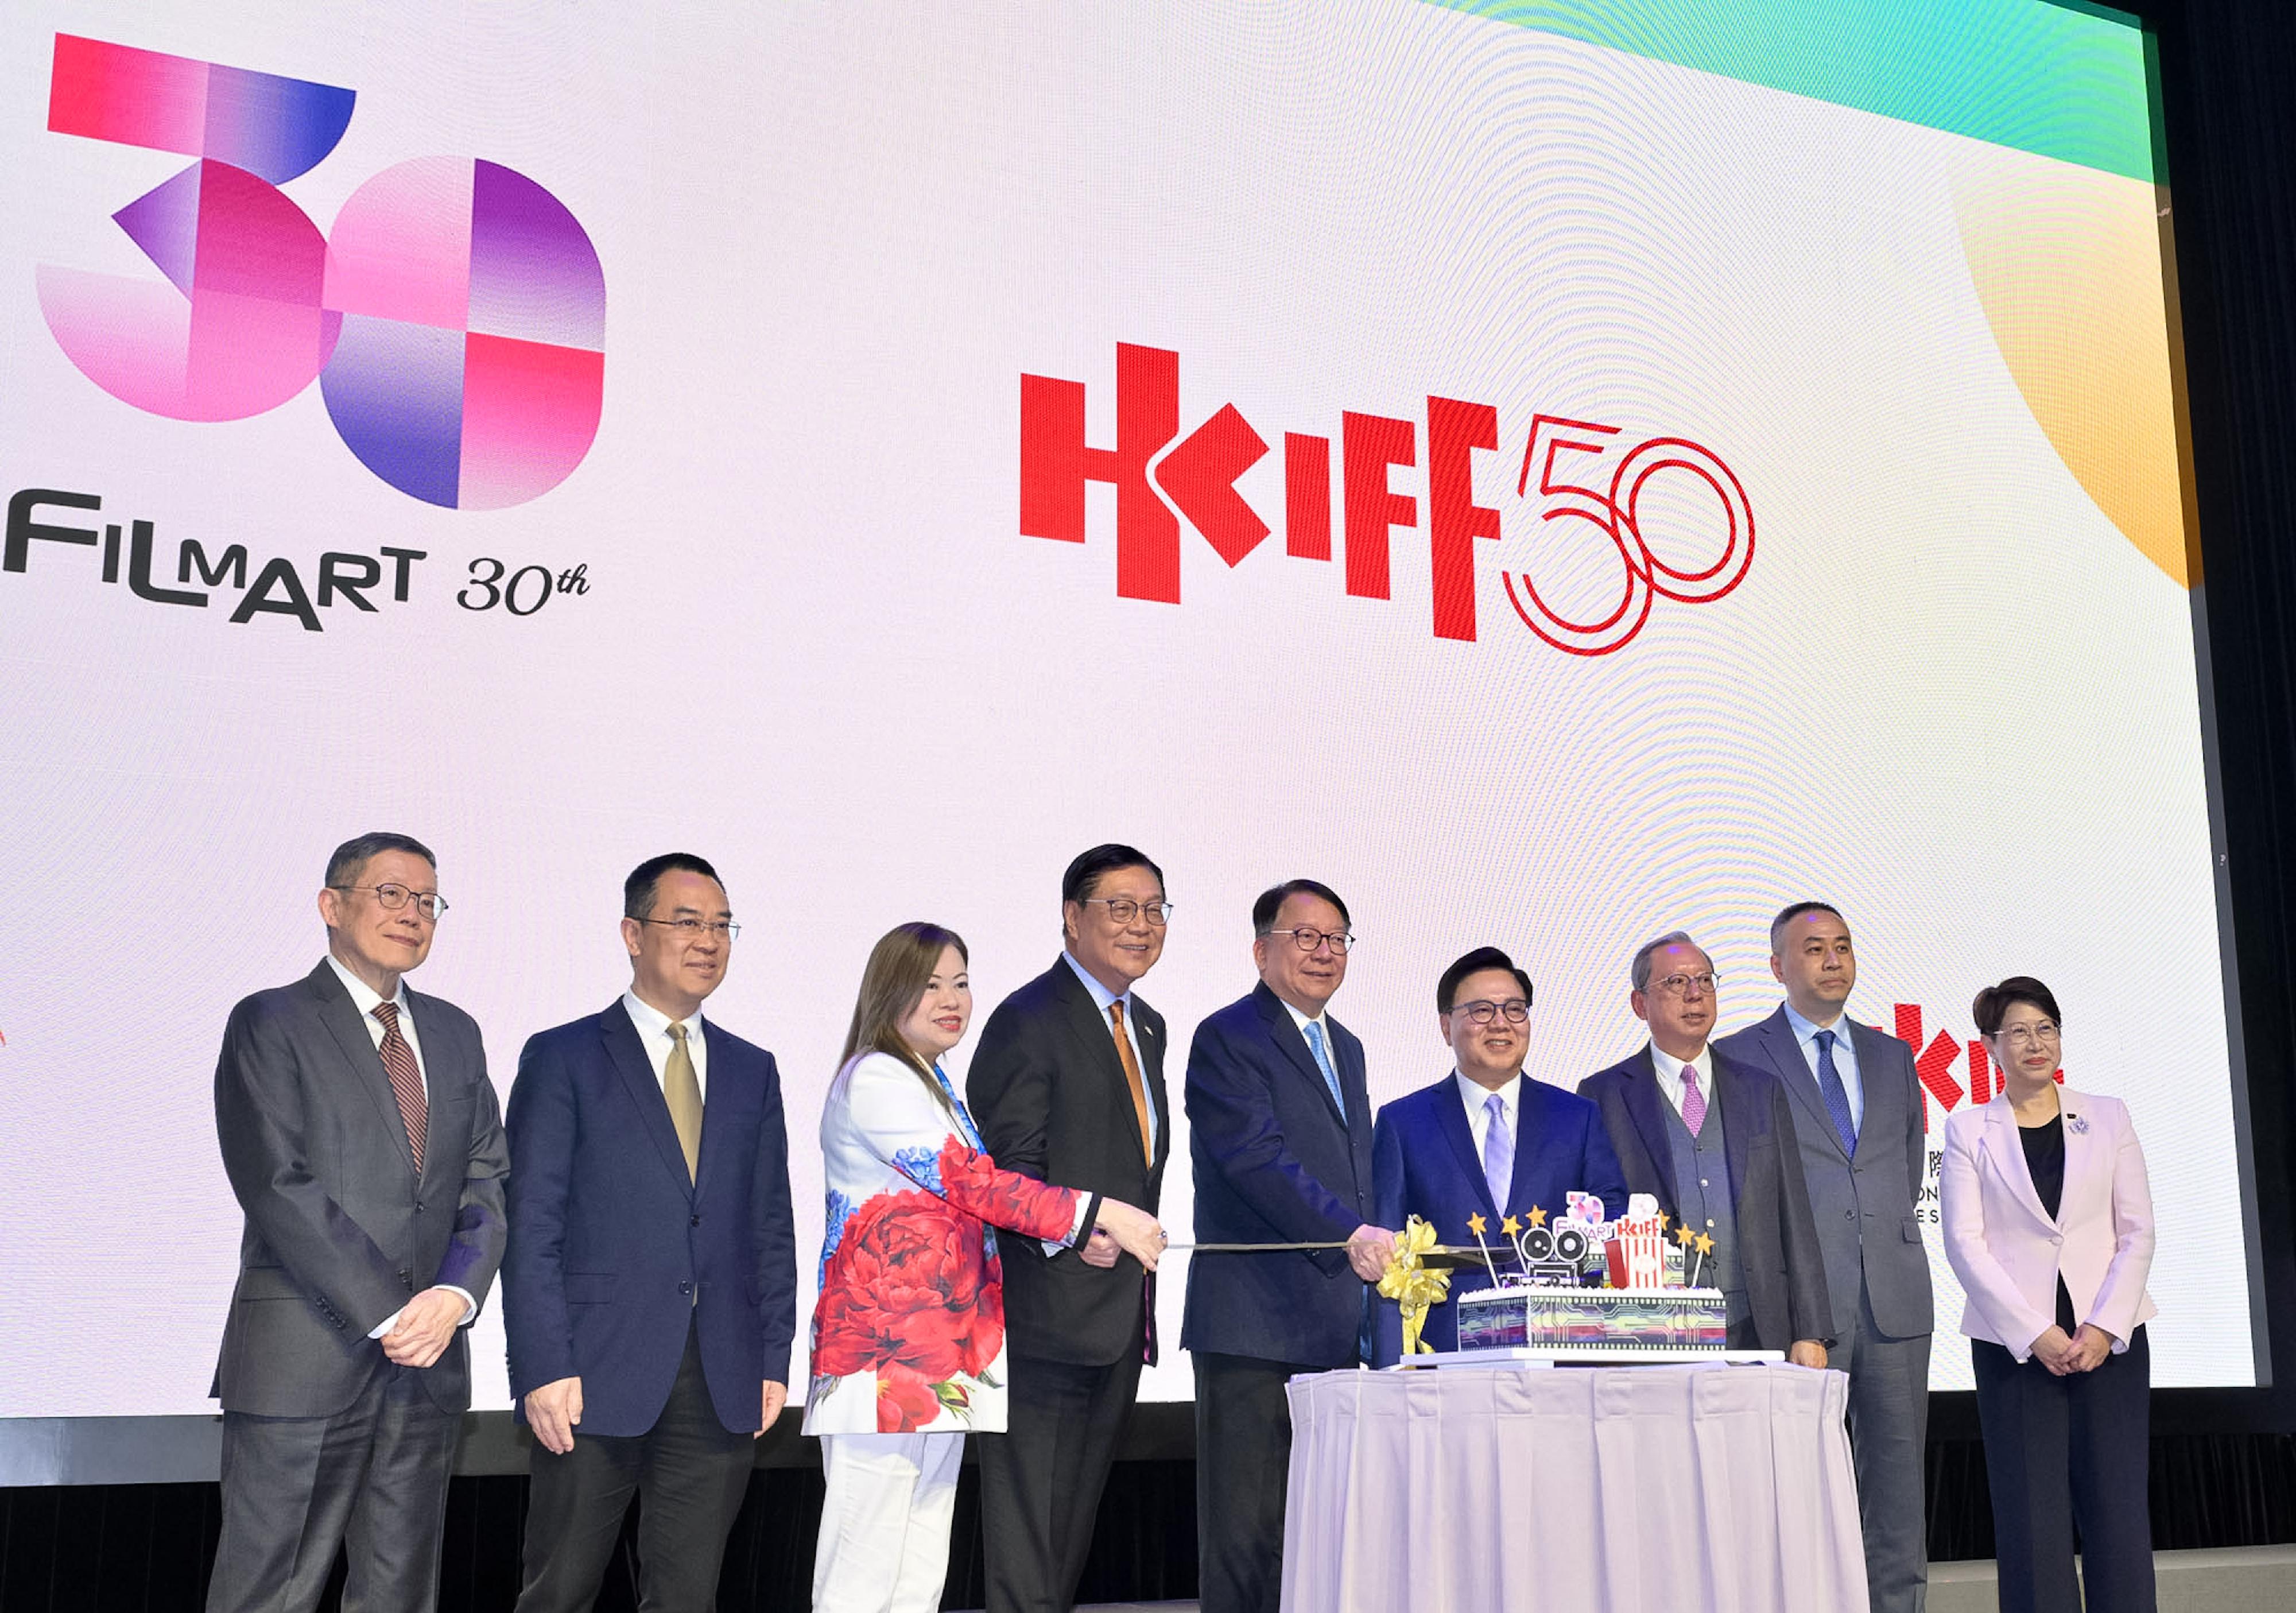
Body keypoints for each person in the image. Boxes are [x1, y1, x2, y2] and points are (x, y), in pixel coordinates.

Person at [806, 923, 1166, 1613]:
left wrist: (1075, 1235)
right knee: (864, 1566)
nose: (952, 999)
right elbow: (973, 1184)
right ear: (889, 991)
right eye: (931, 982)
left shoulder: (929, 1079)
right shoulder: (878, 1075)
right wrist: (1099, 1214)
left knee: (916, 1569)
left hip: (936, 1362)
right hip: (880, 1357)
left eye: (961, 981)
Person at [206, 831, 507, 1613]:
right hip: (303, 1360)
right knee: (271, 1589)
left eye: (428, 901)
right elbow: (277, 1184)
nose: (413, 913)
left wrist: (455, 1296)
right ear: (330, 905)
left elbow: (487, 1178)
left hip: (425, 1370)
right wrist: (392, 1309)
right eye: (391, 894)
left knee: (401, 1593)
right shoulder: (271, 1022)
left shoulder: (455, 1032)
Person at [502, 853, 798, 1613]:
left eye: (723, 925)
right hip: (590, 1372)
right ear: (633, 933)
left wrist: (771, 1355)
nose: (709, 939)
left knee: (687, 1594)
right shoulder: (563, 1055)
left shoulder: (751, 1069)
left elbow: (769, 1226)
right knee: (559, 1588)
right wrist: (542, 1363)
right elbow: (532, 1221)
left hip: (721, 1372)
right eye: (688, 921)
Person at [966, 844, 1174, 1613]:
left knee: (1067, 1547)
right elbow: (1007, 1171)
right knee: (1029, 1553)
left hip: (1118, 1322)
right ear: (1071, 916)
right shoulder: (1027, 1019)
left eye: (1154, 908)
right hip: (1046, 1322)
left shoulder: (1146, 1024)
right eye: (1121, 907)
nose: (1141, 924)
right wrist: (1073, 1229)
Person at [1181, 880, 1394, 1613]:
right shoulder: (1226, 1037)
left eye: (1336, 937)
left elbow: (1358, 1173)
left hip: (1334, 1325)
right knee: (1249, 1535)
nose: (1323, 951)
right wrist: (1348, 1233)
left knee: (1319, 1532)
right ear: (1260, 948)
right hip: (1252, 1326)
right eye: (1305, 935)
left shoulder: (1350, 1047)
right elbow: (1256, 1159)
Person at [1715, 902, 1933, 1613]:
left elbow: (1899, 1165)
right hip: (1802, 1307)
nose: (1833, 959)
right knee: (1796, 1492)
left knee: (1898, 1494)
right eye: (1814, 949)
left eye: (1842, 946)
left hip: (1895, 1301)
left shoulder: (1893, 1053)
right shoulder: (1742, 1056)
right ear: (1778, 966)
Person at [1940, 977, 2157, 1613]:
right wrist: (2035, 1331)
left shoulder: (2108, 1114)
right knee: (2031, 1520)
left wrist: (2101, 1326)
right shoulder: (1967, 1127)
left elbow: (2138, 1228)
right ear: (1989, 1046)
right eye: (2018, 1031)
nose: (2035, 1043)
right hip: (2016, 1345)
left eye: (2046, 1028)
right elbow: (1963, 1241)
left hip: (2108, 1338)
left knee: (2117, 1510)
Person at [1577, 931, 1832, 1360]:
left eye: (1705, 981)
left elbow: (1795, 1214)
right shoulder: (1603, 1096)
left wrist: (1811, 1330)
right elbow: (1593, 1222)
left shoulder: (1759, 1089)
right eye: (1676, 983)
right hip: (1651, 1329)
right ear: (1640, 1004)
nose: (1695, 994)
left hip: (1756, 1325)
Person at [1370, 946, 1627, 1363]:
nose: (1501, 1024)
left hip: (1560, 1353)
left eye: (1514, 1009)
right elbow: (1386, 1257)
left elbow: (1611, 1221)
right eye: (1481, 1011)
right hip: (1442, 1354)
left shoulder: (1576, 1118)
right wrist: (1388, 1369)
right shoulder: (1403, 1123)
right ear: (1445, 1025)